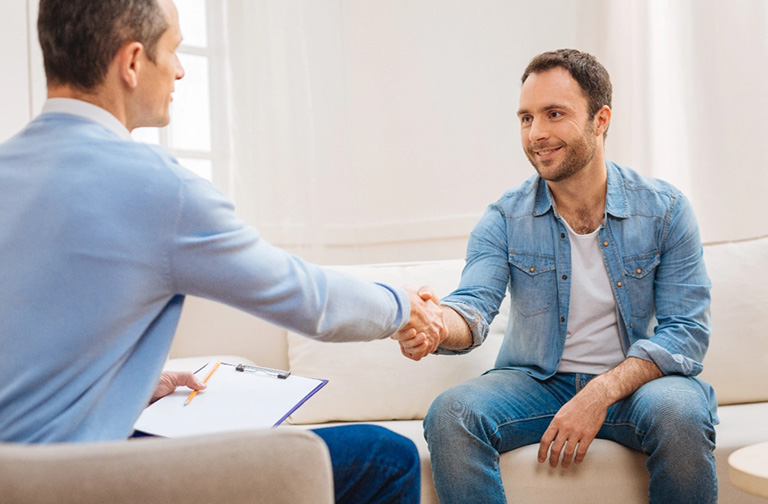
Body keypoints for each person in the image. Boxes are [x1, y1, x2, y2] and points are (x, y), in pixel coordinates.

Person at [0, 1, 445, 503]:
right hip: (77, 483)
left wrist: (124, 386)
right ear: (131, 62)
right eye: (174, 50)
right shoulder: (158, 188)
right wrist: (403, 304)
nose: (181, 69)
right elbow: (308, 299)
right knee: (384, 457)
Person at [401, 49, 717, 503]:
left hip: (638, 385)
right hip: (535, 383)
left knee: (680, 412)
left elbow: (685, 332)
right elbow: (472, 308)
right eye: (526, 118)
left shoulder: (665, 210)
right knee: (452, 413)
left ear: (600, 119)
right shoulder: (505, 217)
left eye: (554, 114)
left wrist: (601, 392)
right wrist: (433, 324)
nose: (537, 134)